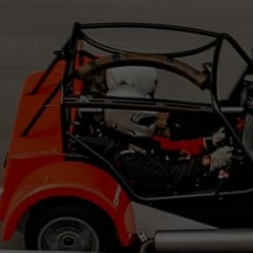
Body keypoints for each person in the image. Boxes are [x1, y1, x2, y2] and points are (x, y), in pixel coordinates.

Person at [98, 65, 234, 192]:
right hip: (176, 191)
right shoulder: (129, 160)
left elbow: (165, 147)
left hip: (179, 169)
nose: (154, 123)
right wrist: (208, 162)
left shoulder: (136, 141)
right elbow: (169, 174)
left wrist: (207, 142)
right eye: (147, 120)